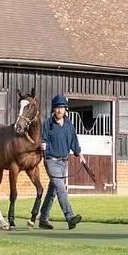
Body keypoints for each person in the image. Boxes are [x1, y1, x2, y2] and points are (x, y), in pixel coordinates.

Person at [38, 94, 85, 229]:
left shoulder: (69, 124)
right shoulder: (47, 124)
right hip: (51, 161)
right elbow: (43, 139)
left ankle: (43, 219)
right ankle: (69, 217)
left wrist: (79, 154)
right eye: (57, 108)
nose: (59, 110)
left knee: (52, 191)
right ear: (54, 109)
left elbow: (73, 140)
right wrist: (43, 145)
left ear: (65, 109)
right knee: (61, 188)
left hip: (64, 162)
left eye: (62, 108)